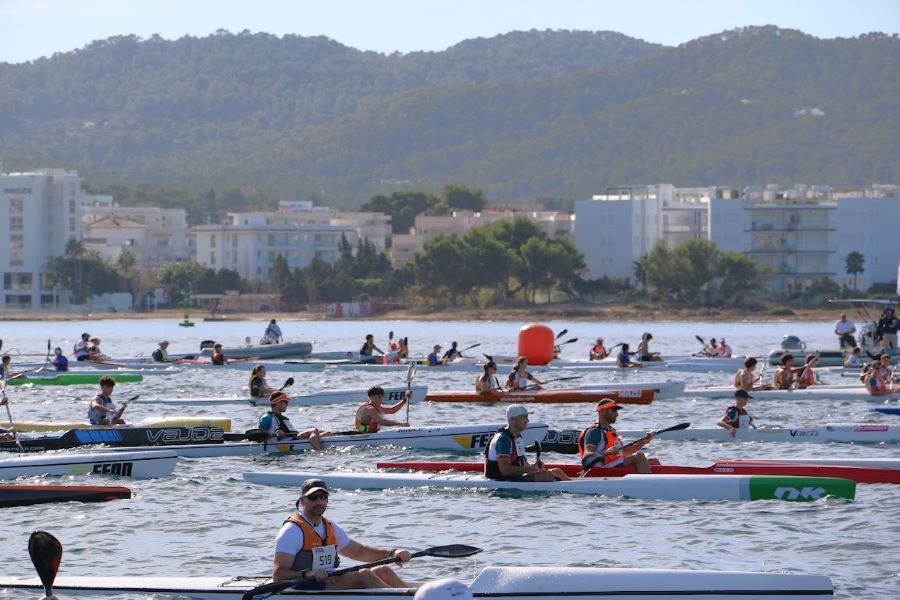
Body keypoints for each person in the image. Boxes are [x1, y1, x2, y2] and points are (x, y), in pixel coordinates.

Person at [272, 478, 412, 590]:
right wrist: (307, 573)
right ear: (302, 501)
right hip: (303, 585)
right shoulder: (292, 531)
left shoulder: (330, 527)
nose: (319, 501)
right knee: (364, 575)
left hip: (328, 580)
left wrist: (392, 553)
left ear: (327, 500)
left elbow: (359, 552)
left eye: (323, 496)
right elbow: (278, 575)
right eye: (313, 497)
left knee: (383, 570)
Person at [484, 405, 569, 482]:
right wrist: (530, 468)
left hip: (512, 477)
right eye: (524, 417)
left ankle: (571, 485)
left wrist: (534, 467)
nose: (527, 420)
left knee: (557, 471)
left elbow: (522, 463)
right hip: (499, 479)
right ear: (513, 420)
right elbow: (505, 471)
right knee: (548, 476)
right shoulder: (503, 439)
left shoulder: (518, 437)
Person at [577, 398, 654, 474]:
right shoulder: (594, 432)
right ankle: (649, 481)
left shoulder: (611, 430)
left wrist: (644, 442)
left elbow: (624, 452)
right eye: (613, 411)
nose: (617, 414)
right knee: (639, 456)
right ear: (603, 411)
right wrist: (606, 453)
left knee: (653, 461)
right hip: (599, 468)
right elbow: (588, 456)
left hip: (611, 464)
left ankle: (653, 479)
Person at [259, 391, 326, 450]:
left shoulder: (284, 418)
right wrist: (277, 432)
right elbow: (261, 432)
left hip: (293, 438)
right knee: (314, 430)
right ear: (278, 403)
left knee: (326, 433)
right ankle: (319, 451)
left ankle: (320, 445)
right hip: (283, 441)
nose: (287, 405)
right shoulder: (267, 417)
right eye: (286, 402)